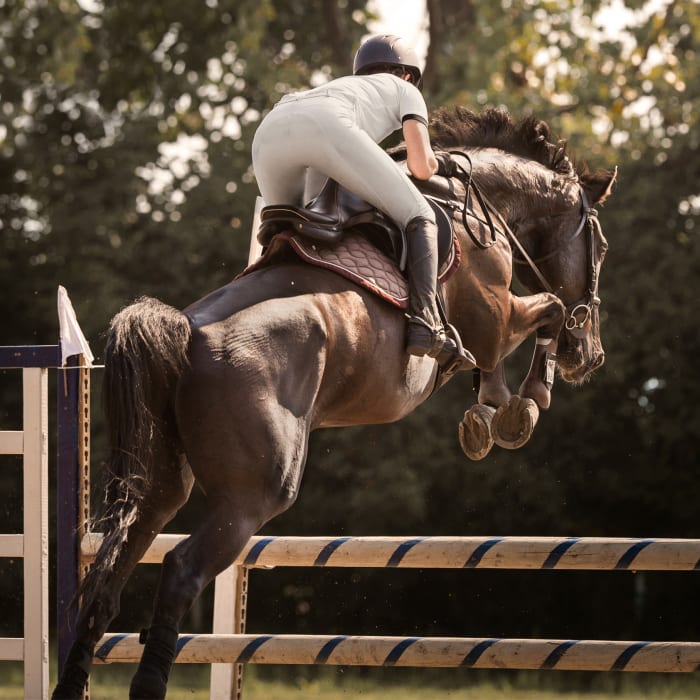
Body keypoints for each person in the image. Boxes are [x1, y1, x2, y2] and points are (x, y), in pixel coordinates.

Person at [252, 34, 475, 367]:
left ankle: (252, 285)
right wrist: (445, 162)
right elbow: (420, 166)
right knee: (419, 214)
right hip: (324, 127)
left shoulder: (340, 88)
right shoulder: (406, 90)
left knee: (284, 226)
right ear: (406, 74)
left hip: (269, 133)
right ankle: (427, 322)